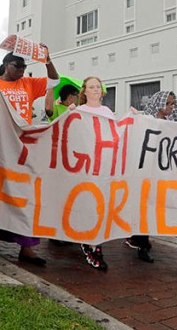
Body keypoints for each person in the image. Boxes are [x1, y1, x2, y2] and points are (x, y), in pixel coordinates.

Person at [0, 50, 59, 266]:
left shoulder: (28, 83)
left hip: (22, 144)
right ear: (5, 65)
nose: (21, 70)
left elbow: (54, 80)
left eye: (24, 67)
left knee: (26, 194)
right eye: (17, 66)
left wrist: (47, 60)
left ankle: (27, 246)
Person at [126, 90, 177, 270]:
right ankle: (143, 247)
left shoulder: (174, 124)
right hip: (149, 176)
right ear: (160, 103)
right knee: (147, 211)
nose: (172, 107)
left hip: (172, 177)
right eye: (169, 103)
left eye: (173, 104)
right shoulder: (145, 122)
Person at [68, 77, 115, 270]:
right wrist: (68, 116)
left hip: (104, 166)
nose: (96, 90)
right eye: (91, 87)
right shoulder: (78, 111)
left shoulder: (107, 112)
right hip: (85, 167)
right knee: (88, 204)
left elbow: (116, 132)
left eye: (98, 87)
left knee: (100, 206)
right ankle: (91, 246)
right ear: (84, 92)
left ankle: (93, 242)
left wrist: (134, 118)